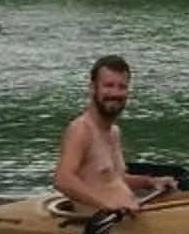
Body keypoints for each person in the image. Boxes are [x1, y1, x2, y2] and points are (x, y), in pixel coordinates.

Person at [55, 54, 177, 220]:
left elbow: (110, 179)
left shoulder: (113, 132)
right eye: (109, 85)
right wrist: (108, 205)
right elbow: (63, 179)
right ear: (93, 88)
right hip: (100, 223)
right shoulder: (80, 129)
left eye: (122, 87)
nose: (115, 93)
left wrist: (150, 182)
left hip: (128, 216)